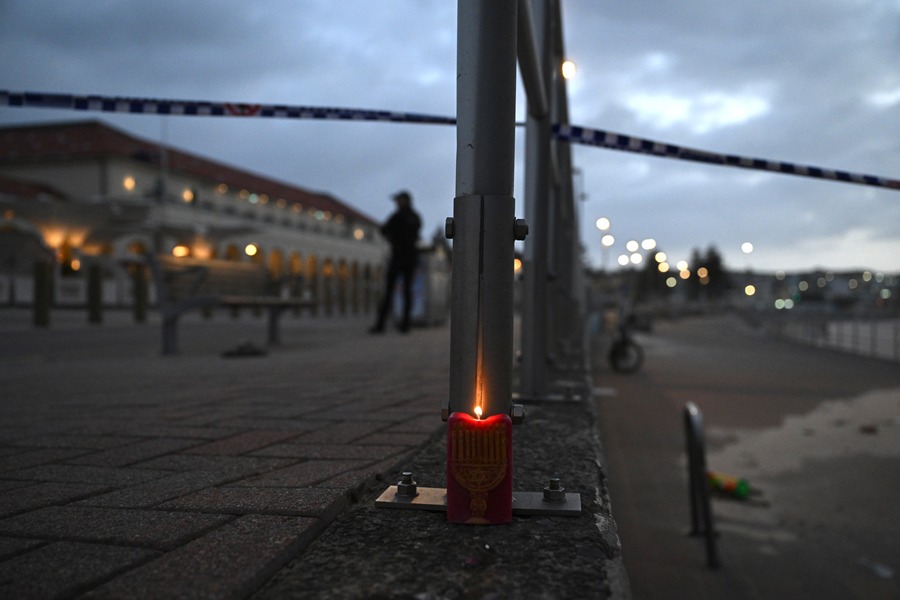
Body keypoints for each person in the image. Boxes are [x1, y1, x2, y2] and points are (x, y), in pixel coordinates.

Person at [370, 190, 422, 334]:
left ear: (405, 200)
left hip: (401, 257)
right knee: (402, 292)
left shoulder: (400, 216)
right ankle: (403, 325)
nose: (396, 203)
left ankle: (385, 325)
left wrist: (393, 238)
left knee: (395, 292)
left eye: (398, 200)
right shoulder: (413, 216)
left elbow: (385, 230)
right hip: (406, 257)